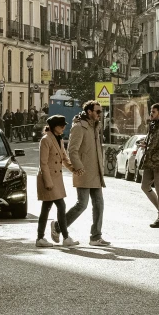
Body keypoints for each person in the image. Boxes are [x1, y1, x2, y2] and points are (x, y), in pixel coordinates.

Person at [51, 100, 110, 247]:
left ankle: (96, 237)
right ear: (89, 112)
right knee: (82, 204)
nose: (100, 114)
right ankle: (58, 227)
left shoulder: (95, 127)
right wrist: (78, 167)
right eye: (97, 111)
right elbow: (72, 150)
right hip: (83, 171)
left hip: (96, 172)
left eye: (100, 111)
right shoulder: (79, 127)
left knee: (99, 205)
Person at [36, 115, 80, 248]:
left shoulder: (58, 139)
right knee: (60, 206)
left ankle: (40, 238)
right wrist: (48, 182)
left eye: (64, 125)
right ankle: (65, 237)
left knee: (46, 209)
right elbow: (43, 163)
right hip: (48, 178)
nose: (64, 128)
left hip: (56, 178)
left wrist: (73, 169)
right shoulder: (46, 140)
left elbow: (64, 158)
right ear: (54, 126)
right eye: (61, 126)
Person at [139, 103, 159, 228]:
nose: (151, 114)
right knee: (144, 186)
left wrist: (154, 157)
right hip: (149, 161)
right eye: (151, 112)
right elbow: (151, 140)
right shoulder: (153, 124)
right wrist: (145, 143)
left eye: (153, 112)